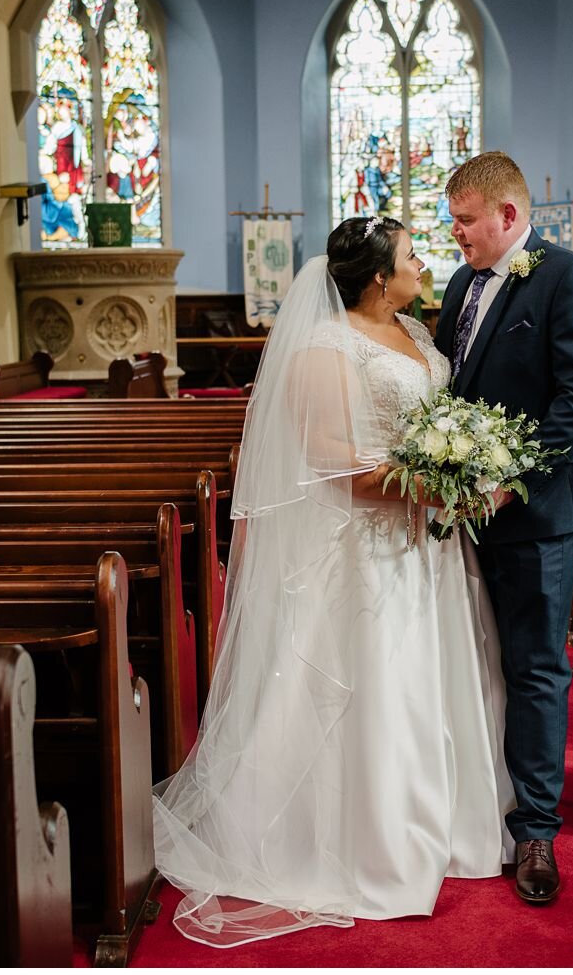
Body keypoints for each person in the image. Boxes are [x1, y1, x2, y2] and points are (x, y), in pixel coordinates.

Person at [152, 215, 513, 947]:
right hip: (369, 547)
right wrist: (432, 485)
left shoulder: (416, 334)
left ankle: (447, 825)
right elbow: (329, 459)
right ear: (379, 276)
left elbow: (436, 419)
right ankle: (371, 842)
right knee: (378, 685)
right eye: (412, 255)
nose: (423, 264)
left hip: (431, 548)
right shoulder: (324, 345)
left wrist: (470, 471)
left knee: (438, 678)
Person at [434, 151, 573, 905]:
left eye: (466, 220)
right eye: (451, 221)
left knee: (536, 667)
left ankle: (536, 827)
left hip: (537, 513)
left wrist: (507, 483)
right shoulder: (458, 283)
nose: (456, 235)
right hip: (467, 512)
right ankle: (478, 803)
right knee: (479, 659)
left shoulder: (569, 277)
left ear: (509, 216)